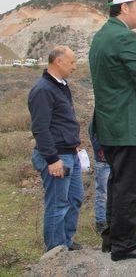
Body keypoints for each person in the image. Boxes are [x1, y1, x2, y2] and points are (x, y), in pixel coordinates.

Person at [89, 0, 136, 261]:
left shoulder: (101, 37)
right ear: (124, 7)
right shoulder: (126, 39)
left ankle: (112, 239)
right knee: (130, 186)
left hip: (108, 124)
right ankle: (125, 245)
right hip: (128, 126)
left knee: (116, 183)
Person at [29, 46, 84, 252]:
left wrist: (75, 147)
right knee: (57, 204)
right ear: (58, 61)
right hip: (57, 156)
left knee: (75, 199)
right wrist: (52, 159)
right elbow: (40, 128)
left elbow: (63, 121)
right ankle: (55, 251)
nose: (75, 67)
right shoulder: (43, 89)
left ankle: (66, 242)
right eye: (72, 62)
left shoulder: (61, 85)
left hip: (70, 153)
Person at [89, 115, 109, 235]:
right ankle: (100, 222)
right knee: (102, 193)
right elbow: (95, 142)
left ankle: (111, 220)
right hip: (103, 162)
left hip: (115, 161)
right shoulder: (96, 122)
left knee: (113, 192)